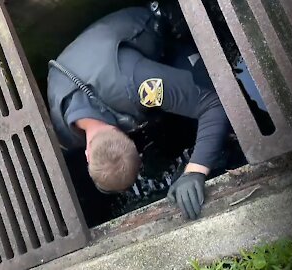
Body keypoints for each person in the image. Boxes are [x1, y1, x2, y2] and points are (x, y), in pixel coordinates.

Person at [47, 3, 229, 220]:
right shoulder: (60, 125)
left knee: (215, 82)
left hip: (156, 32)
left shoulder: (138, 87)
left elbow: (213, 104)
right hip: (95, 53)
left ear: (88, 155)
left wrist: (195, 170)